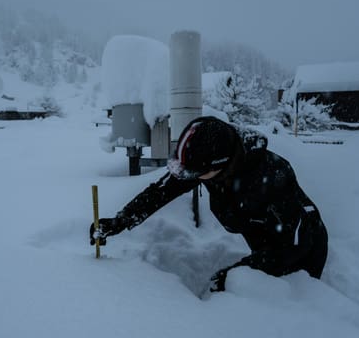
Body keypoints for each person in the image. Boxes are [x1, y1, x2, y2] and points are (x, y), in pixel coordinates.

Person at [89, 116, 328, 292]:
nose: (188, 178)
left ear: (220, 166)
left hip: (301, 252)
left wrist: (239, 272)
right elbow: (161, 192)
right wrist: (119, 221)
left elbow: (293, 246)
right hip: (262, 238)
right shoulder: (210, 159)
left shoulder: (273, 177)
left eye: (196, 173)